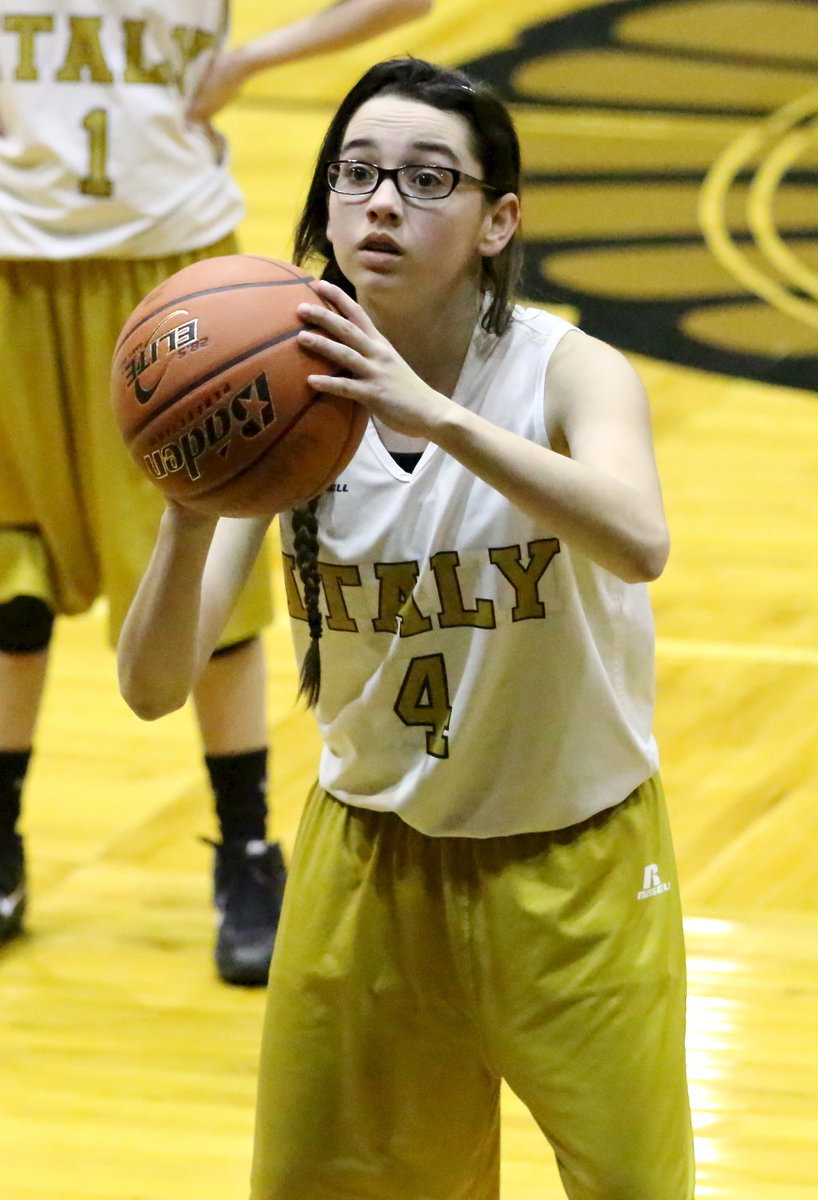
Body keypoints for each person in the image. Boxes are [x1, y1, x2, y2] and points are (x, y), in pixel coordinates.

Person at [117, 56, 695, 1198]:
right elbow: (149, 688)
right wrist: (188, 517)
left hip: (573, 863)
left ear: (498, 221)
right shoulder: (282, 396)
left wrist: (433, 417)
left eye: (428, 180)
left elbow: (639, 542)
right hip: (370, 865)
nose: (382, 202)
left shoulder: (568, 371)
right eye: (358, 174)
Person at [0, 0, 432, 986]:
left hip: (176, 274)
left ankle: (246, 853)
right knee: (8, 585)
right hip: (7, 262)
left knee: (207, 573)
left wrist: (257, 56)